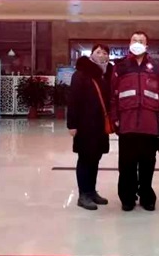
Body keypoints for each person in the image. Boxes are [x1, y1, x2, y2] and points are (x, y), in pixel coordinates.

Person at [110, 31, 159, 212]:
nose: (137, 43)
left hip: (150, 123)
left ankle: (146, 196)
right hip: (127, 122)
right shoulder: (120, 67)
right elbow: (113, 95)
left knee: (147, 163)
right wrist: (114, 117)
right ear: (129, 43)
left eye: (141, 40)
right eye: (134, 40)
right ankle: (127, 197)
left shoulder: (157, 68)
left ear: (147, 45)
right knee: (126, 164)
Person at [67, 44, 113, 210]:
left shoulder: (105, 75)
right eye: (98, 52)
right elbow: (73, 100)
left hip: (100, 125)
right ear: (91, 54)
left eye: (105, 53)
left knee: (95, 158)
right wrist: (72, 124)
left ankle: (92, 191)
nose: (101, 55)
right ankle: (83, 194)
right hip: (85, 125)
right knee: (85, 158)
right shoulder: (81, 74)